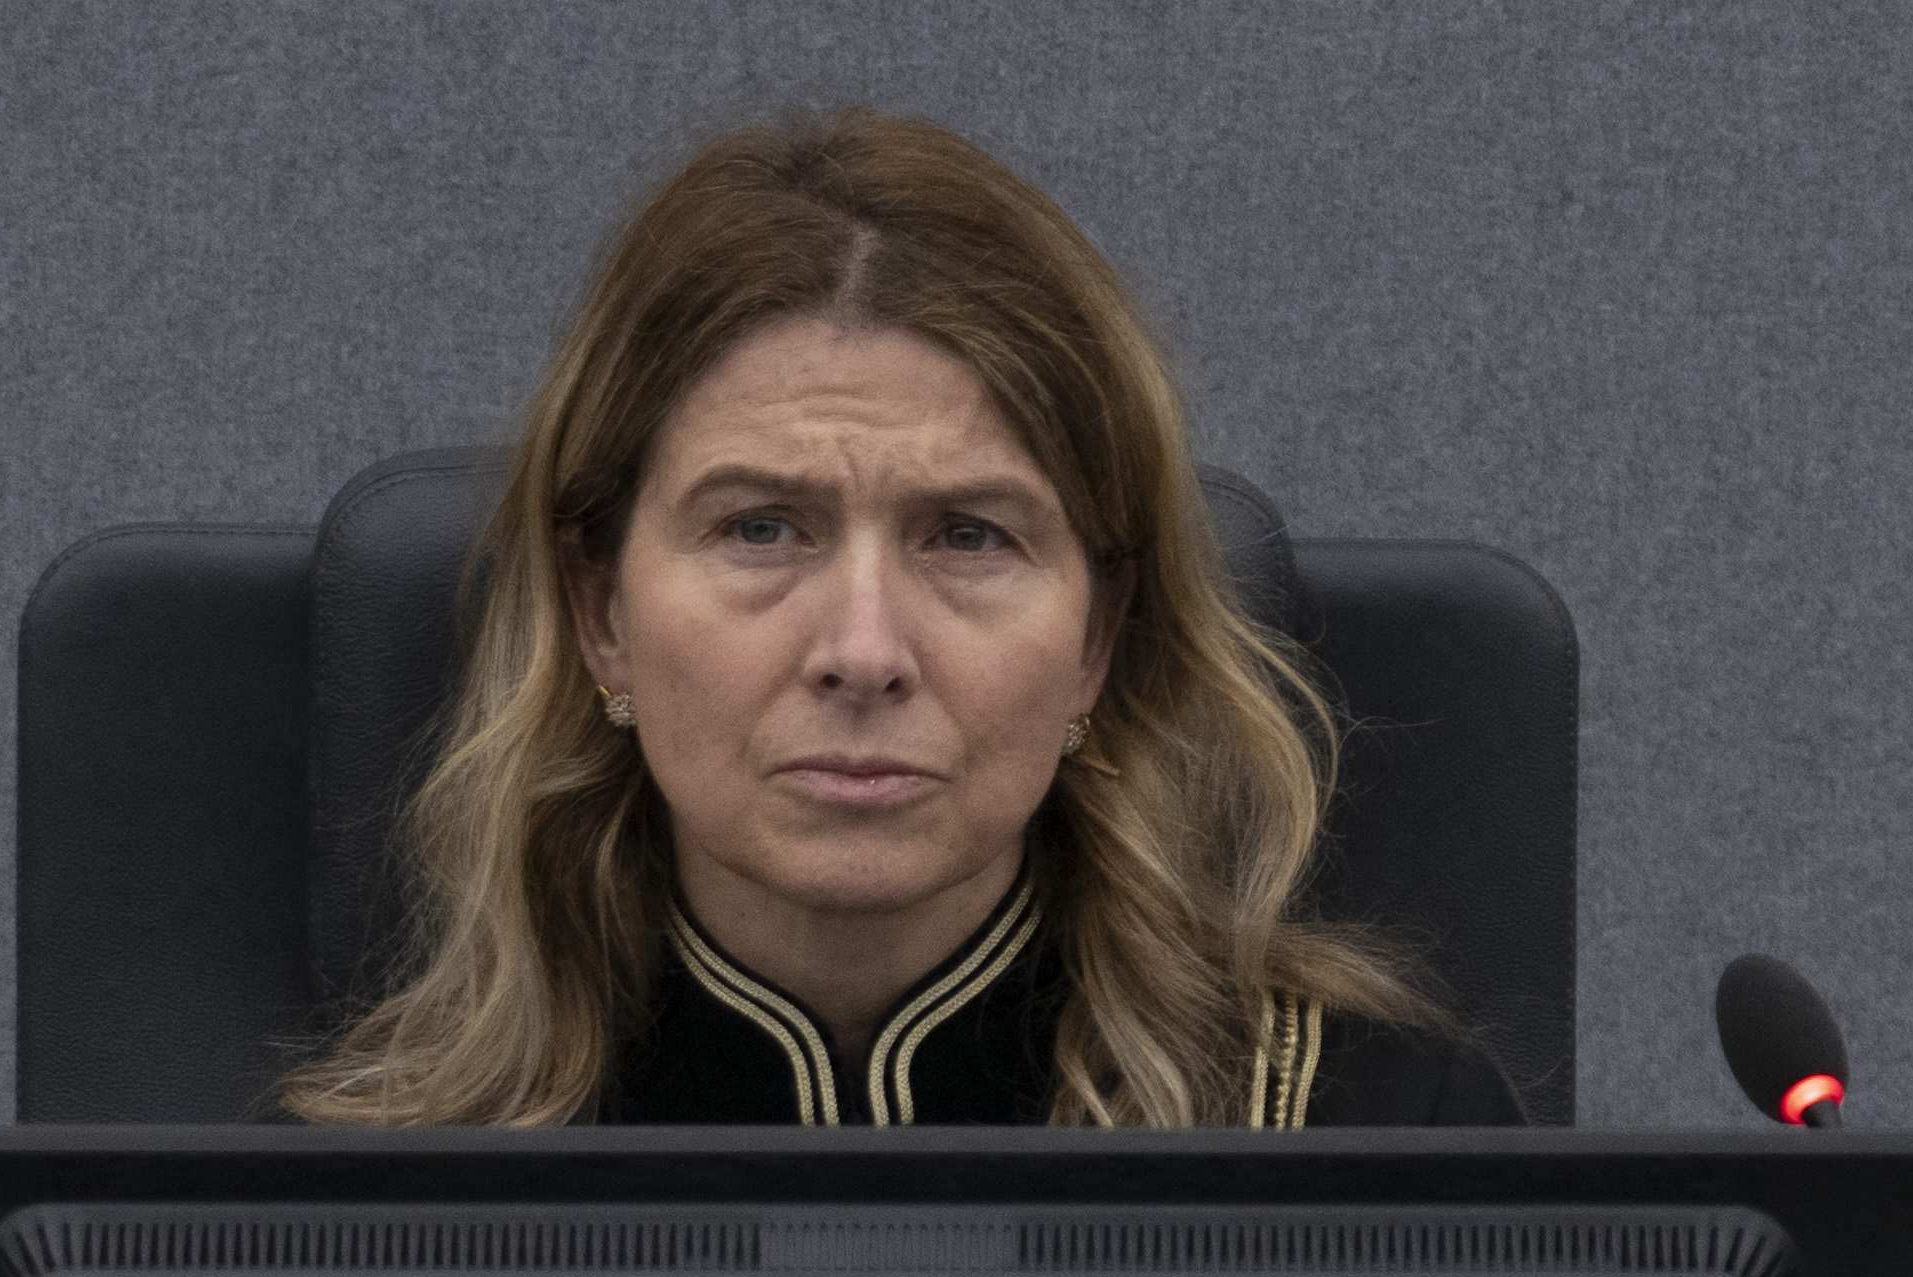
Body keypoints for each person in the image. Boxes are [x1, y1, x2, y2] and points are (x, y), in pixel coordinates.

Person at [284, 110, 1525, 1133]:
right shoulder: (357, 1212)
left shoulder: (1377, 1150)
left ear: (1099, 639)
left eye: (970, 536)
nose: (863, 655)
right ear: (601, 614)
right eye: (761, 529)